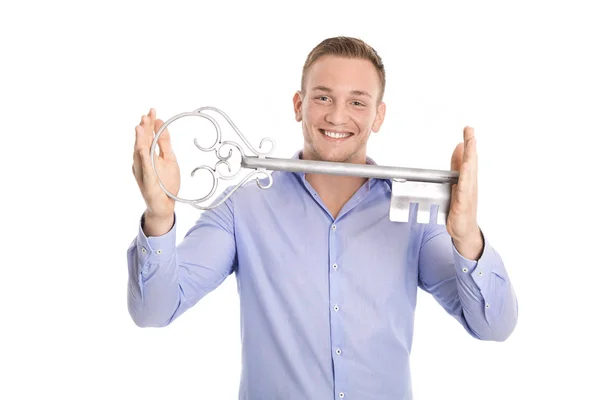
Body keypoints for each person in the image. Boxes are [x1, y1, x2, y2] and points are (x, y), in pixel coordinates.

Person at [128, 36, 518, 400]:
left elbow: (494, 326)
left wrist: (468, 237)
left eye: (357, 102)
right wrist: (159, 215)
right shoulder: (242, 208)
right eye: (323, 97)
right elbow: (154, 311)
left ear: (378, 116)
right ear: (299, 105)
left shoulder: (414, 218)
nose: (337, 116)